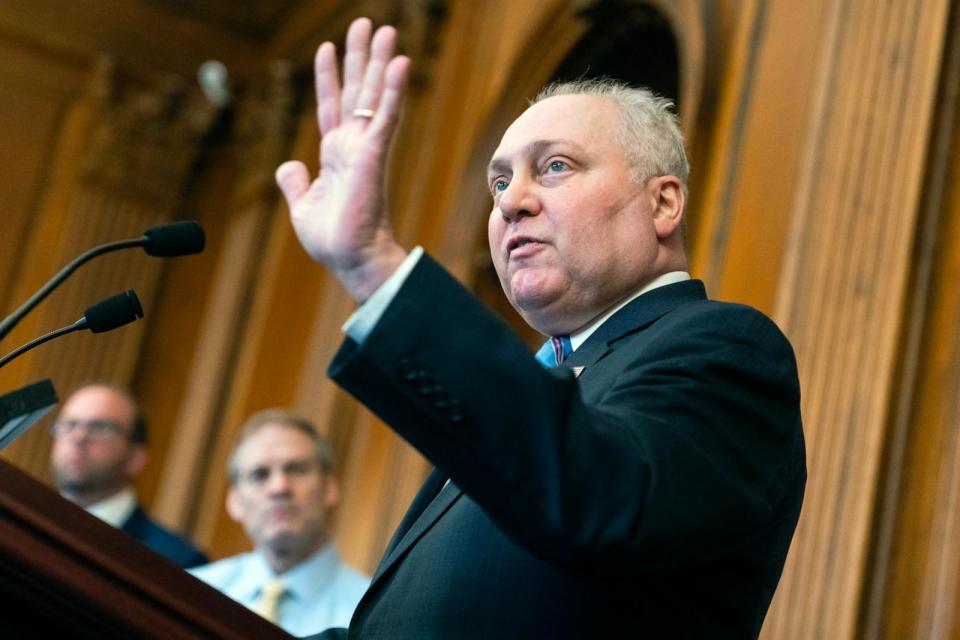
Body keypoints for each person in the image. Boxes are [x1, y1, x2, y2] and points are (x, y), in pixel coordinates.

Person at [275, 17, 806, 639]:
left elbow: (600, 501)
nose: (509, 202)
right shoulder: (524, 389)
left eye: (554, 167)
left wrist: (375, 269)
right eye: (500, 181)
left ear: (662, 203)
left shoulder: (726, 350)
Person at [189, 409, 369, 636]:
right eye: (259, 474)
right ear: (235, 502)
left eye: (297, 470)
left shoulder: (373, 615)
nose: (279, 487)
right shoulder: (190, 592)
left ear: (330, 487)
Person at [50, 382, 208, 568]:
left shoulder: (174, 560)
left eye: (100, 427)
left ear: (136, 458)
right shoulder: (19, 519)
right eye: (69, 424)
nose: (78, 437)